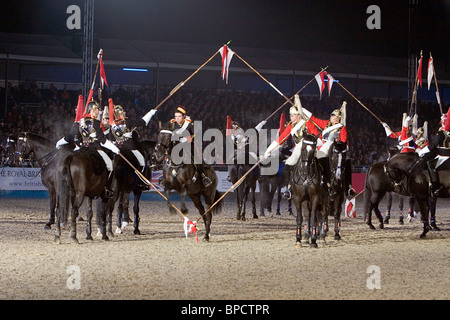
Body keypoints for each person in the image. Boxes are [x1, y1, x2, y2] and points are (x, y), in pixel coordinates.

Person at [297, 99, 356, 198]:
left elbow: (343, 140)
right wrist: (300, 107)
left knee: (347, 163)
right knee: (311, 156)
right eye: (332, 115)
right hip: (324, 147)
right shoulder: (326, 124)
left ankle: (348, 187)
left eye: (334, 116)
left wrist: (336, 143)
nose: (332, 117)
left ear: (338, 118)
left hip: (336, 148)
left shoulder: (342, 128)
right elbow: (313, 119)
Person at [170, 105, 212, 187]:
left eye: (179, 116)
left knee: (197, 159)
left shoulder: (189, 124)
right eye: (176, 116)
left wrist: (186, 139)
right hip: (176, 146)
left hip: (188, 146)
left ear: (184, 116)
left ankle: (204, 177)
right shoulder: (173, 123)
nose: (177, 118)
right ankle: (165, 177)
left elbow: (196, 134)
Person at [422, 107, 450, 197]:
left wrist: (420, 152)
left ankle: (436, 187)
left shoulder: (440, 133)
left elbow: (432, 146)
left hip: (443, 157)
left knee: (430, 164)